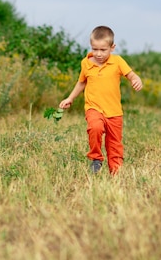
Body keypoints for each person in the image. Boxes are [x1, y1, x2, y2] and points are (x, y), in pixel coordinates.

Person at [59, 26, 143, 175]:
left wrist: (136, 80)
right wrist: (70, 98)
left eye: (103, 50)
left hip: (114, 112)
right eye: (95, 49)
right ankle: (96, 158)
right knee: (95, 128)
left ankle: (116, 173)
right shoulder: (86, 63)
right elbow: (81, 82)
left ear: (112, 47)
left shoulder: (117, 61)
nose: (98, 53)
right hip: (94, 107)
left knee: (114, 144)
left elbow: (131, 75)